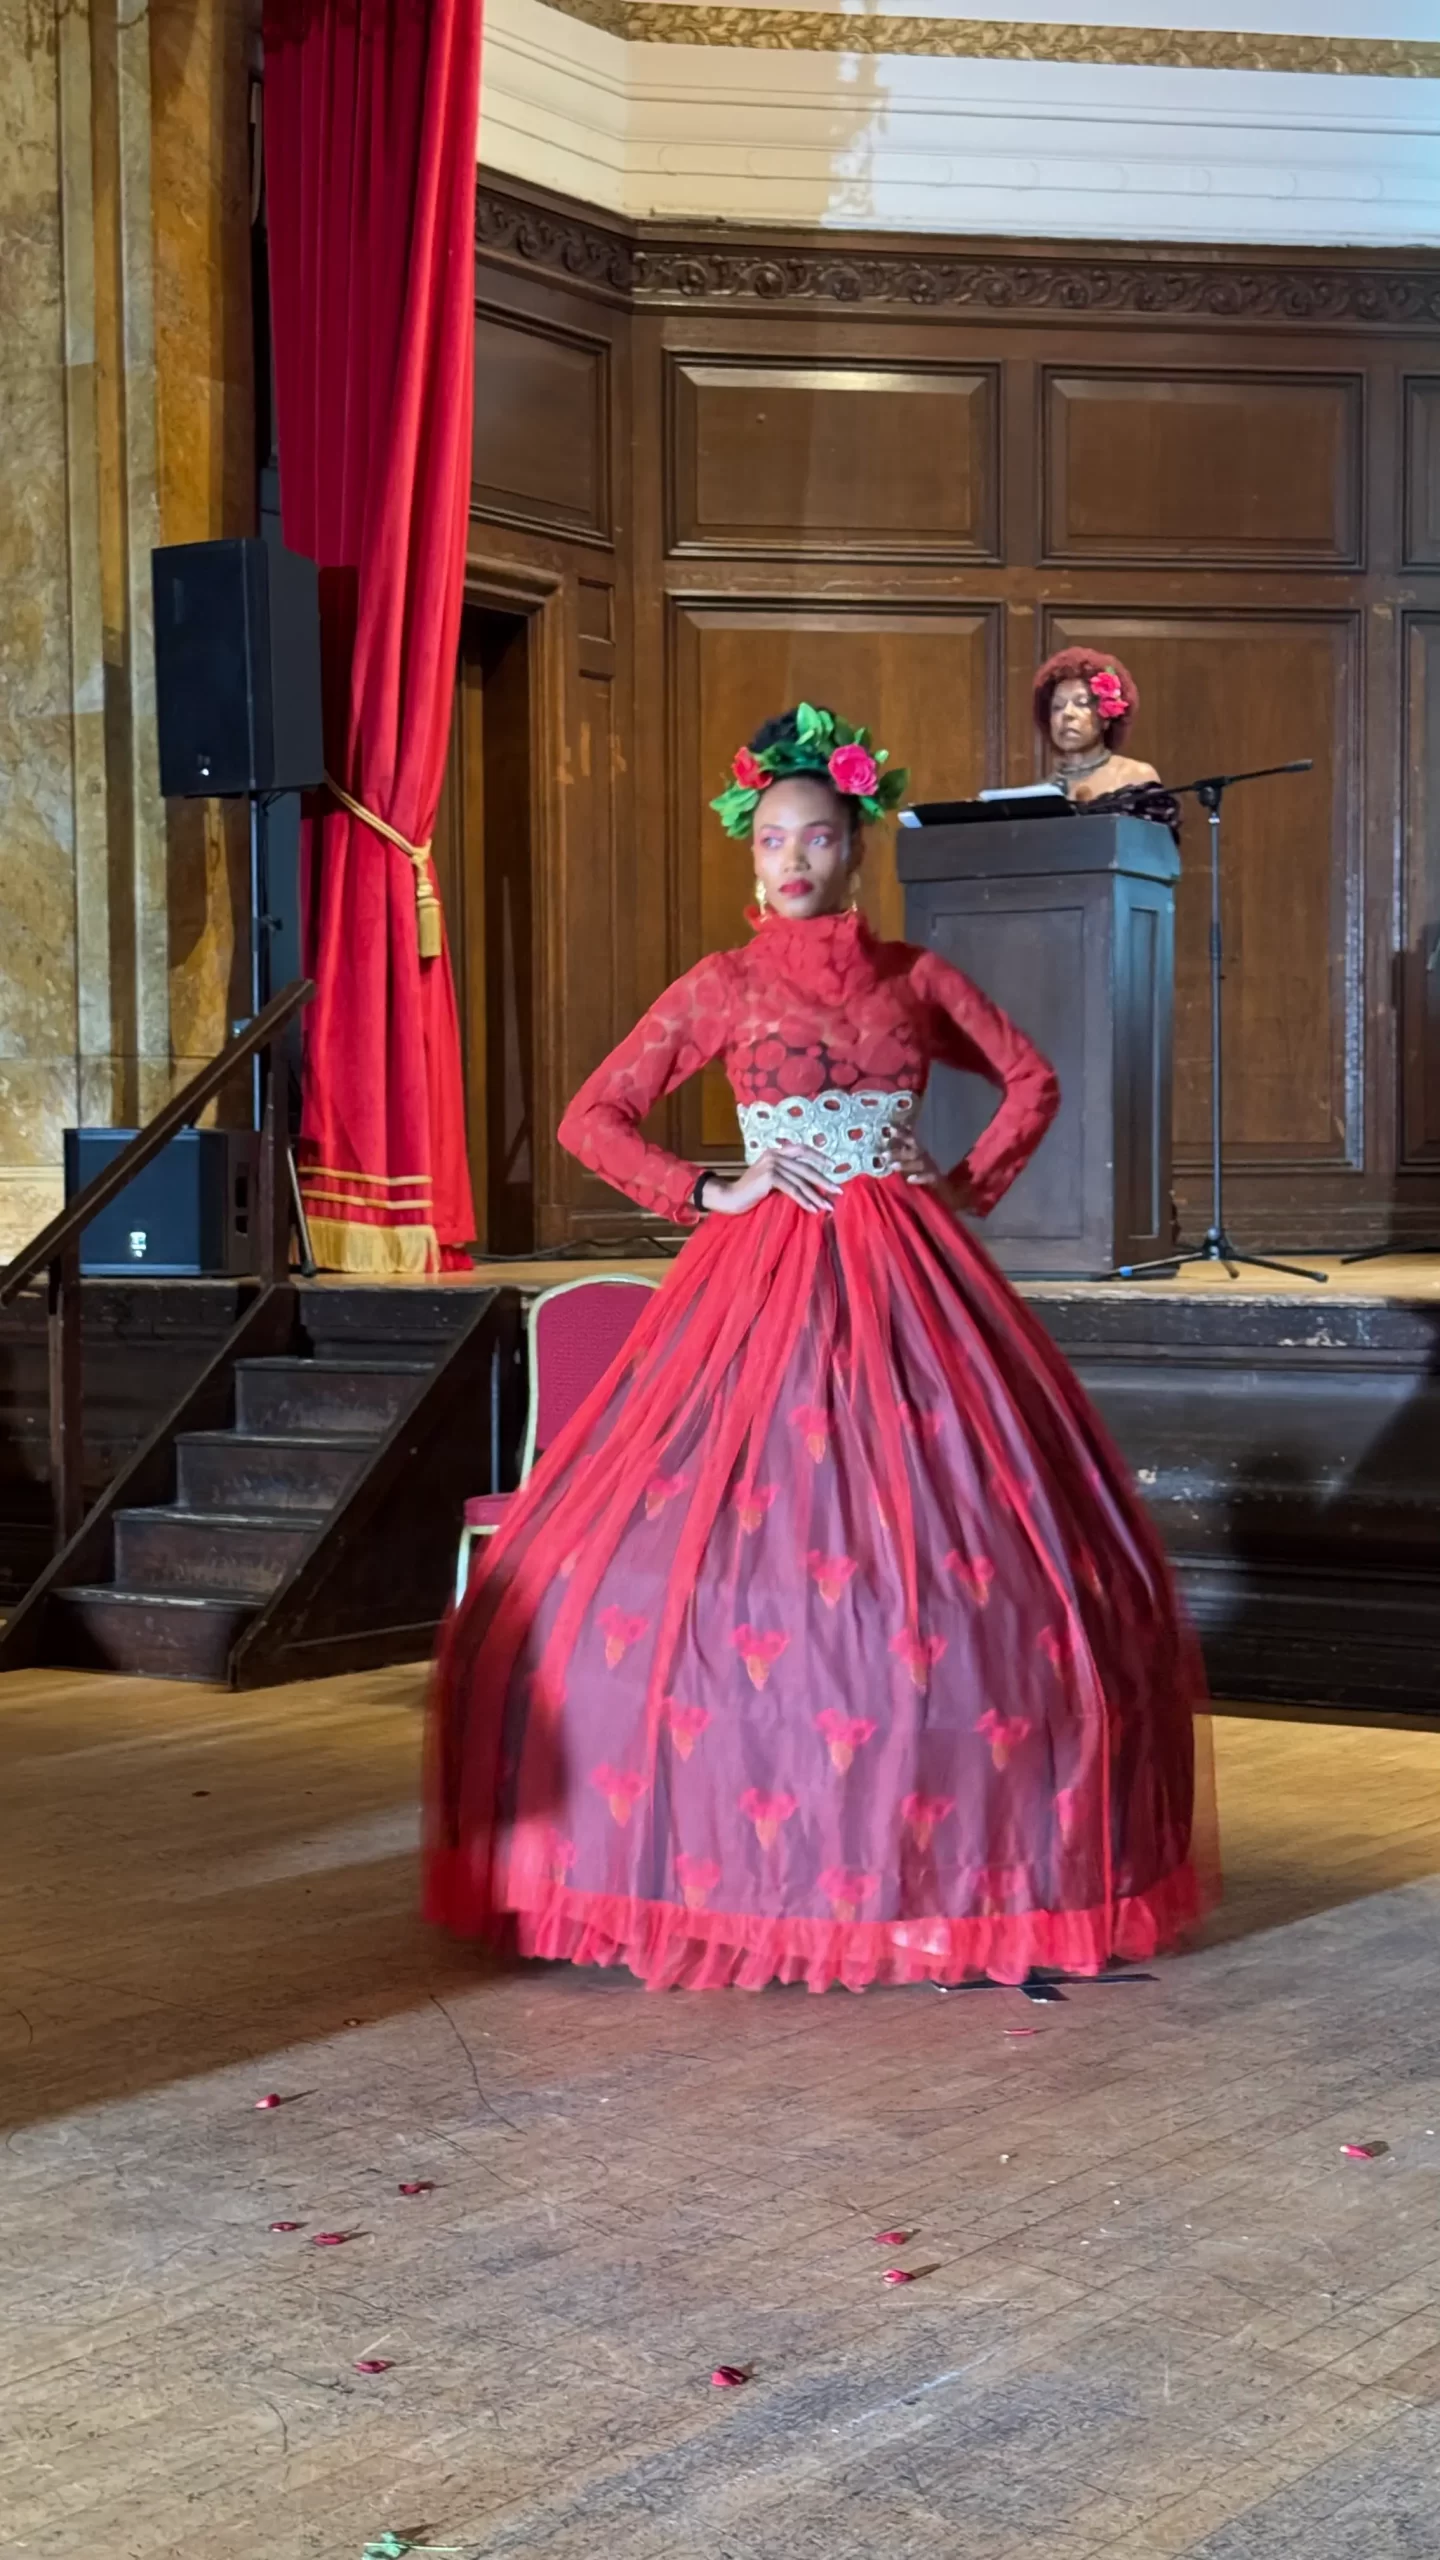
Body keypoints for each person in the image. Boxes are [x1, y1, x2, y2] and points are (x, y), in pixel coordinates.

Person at [426, 703, 1214, 1993]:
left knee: (956, 1544)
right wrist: (708, 1191)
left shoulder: (915, 978)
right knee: (733, 1542)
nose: (792, 861)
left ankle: (948, 1869)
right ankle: (722, 1861)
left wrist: (960, 1184)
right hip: (763, 1274)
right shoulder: (722, 986)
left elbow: (1034, 1080)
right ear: (752, 858)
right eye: (772, 842)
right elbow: (593, 1114)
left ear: (855, 849)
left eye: (818, 839)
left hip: (910, 1270)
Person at [1037, 648, 1159, 803]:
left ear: (1106, 717)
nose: (1067, 713)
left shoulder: (1136, 777)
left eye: (1081, 703)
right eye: (1057, 706)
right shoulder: (1042, 792)